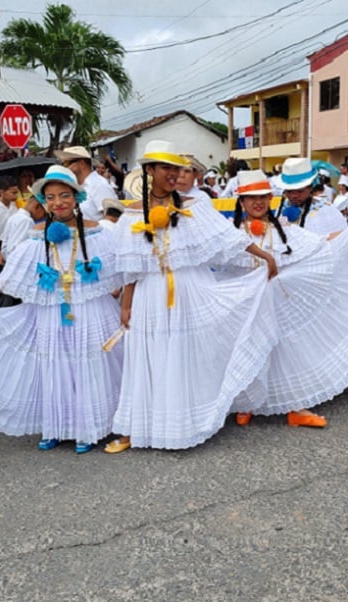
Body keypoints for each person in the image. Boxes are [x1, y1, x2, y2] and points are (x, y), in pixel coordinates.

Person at [105, 140, 278, 453]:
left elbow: (227, 239)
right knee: (148, 356)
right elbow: (131, 267)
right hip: (149, 295)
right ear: (149, 171)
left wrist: (263, 254)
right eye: (166, 168)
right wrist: (126, 305)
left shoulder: (194, 207)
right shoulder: (131, 214)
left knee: (182, 353)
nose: (173, 174)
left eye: (177, 168)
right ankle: (138, 427)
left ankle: (184, 423)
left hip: (189, 289)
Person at [0, 166, 125, 454]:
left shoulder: (97, 232)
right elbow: (13, 274)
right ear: (43, 201)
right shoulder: (36, 234)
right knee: (55, 365)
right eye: (51, 197)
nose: (58, 203)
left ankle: (87, 428)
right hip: (51, 313)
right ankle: (56, 427)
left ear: (76, 197)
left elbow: (122, 270)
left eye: (65, 195)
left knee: (86, 364)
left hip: (90, 310)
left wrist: (122, 297)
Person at [224, 170, 348, 425]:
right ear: (241, 201)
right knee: (249, 347)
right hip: (246, 304)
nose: (258, 203)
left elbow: (320, 244)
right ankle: (246, 403)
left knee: (286, 349)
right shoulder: (230, 234)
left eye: (263, 197)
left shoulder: (283, 230)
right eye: (251, 197)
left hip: (278, 302)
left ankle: (296, 406)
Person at [275, 157, 347, 236]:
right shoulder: (283, 206)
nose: (294, 196)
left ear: (311, 187)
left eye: (300, 191)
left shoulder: (325, 210)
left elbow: (337, 239)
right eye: (288, 191)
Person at [55, 146, 115, 222]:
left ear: (81, 163)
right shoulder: (77, 186)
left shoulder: (99, 185)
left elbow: (112, 218)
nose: (65, 168)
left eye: (67, 164)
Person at [1, 196, 46, 260]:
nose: (42, 217)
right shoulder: (26, 221)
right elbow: (18, 248)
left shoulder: (15, 216)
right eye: (44, 214)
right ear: (37, 206)